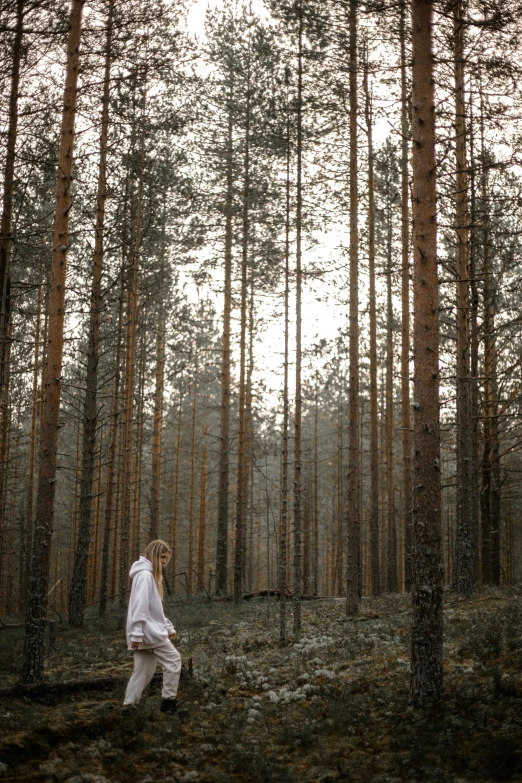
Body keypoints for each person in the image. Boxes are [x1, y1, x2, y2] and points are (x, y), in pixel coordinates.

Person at [123, 539, 182, 714]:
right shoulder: (145, 576)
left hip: (145, 632)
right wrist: (136, 634)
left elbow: (154, 608)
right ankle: (168, 703)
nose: (164, 562)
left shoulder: (147, 575)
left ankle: (129, 707)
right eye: (162, 557)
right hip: (148, 633)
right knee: (173, 661)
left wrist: (168, 627)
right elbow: (140, 606)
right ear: (154, 555)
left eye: (166, 558)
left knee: (143, 671)